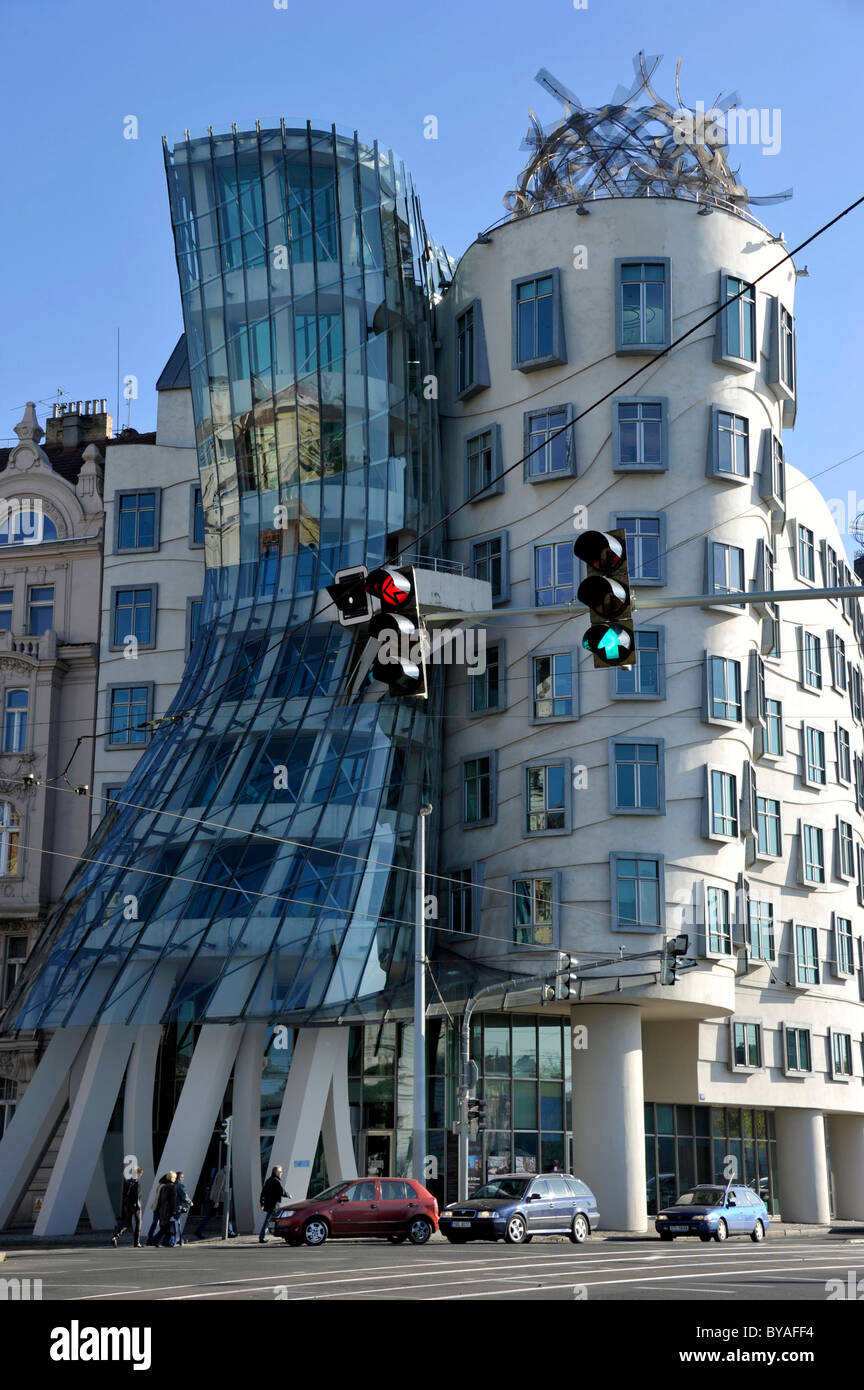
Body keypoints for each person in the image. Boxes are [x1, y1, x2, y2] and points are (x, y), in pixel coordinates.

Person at [194, 1166, 235, 1239]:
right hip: (219, 1200)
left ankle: (198, 1231)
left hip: (219, 1200)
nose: (230, 1168)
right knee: (227, 1216)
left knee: (210, 1216)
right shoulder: (222, 1175)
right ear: (225, 1166)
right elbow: (218, 1189)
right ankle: (230, 1232)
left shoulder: (221, 1173)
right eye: (229, 1166)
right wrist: (216, 1201)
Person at [112, 1166, 143, 1248]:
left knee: (127, 1223)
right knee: (138, 1223)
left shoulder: (127, 1182)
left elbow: (124, 1194)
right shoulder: (136, 1183)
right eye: (140, 1174)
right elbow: (137, 1196)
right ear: (138, 1174)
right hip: (136, 1206)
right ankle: (137, 1242)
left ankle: (116, 1236)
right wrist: (138, 1206)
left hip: (128, 1205)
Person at [259, 1165, 288, 1244]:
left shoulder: (268, 1180)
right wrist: (288, 1195)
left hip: (269, 1204)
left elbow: (263, 1193)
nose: (282, 1173)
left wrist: (262, 1202)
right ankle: (262, 1237)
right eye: (281, 1172)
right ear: (277, 1172)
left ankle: (265, 1236)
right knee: (280, 1218)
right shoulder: (276, 1181)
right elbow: (281, 1191)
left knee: (272, 1220)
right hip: (274, 1205)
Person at [145, 1173, 174, 1246]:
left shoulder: (160, 1185)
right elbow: (161, 1199)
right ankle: (153, 1240)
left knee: (155, 1223)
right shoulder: (164, 1186)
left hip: (156, 1207)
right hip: (159, 1208)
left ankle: (151, 1239)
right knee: (159, 1224)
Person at [155, 1170, 178, 1247]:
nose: (175, 1179)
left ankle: (165, 1242)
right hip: (169, 1210)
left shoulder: (163, 1186)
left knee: (165, 1227)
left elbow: (160, 1200)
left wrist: (158, 1210)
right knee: (168, 1228)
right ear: (172, 1178)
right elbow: (173, 1200)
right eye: (175, 1177)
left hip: (162, 1210)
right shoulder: (173, 1187)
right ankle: (157, 1240)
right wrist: (174, 1211)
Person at [172, 1171, 191, 1247]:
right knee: (177, 1224)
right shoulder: (179, 1185)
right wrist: (189, 1202)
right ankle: (178, 1240)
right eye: (182, 1177)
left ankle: (179, 1240)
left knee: (175, 1223)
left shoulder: (172, 1184)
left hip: (172, 1207)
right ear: (179, 1177)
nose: (183, 1178)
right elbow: (184, 1196)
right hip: (178, 1207)